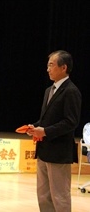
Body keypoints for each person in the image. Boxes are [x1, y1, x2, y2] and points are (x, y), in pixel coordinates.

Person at [27, 50, 82, 212]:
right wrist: (34, 127)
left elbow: (71, 122)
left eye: (51, 65)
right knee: (43, 195)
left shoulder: (71, 91)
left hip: (59, 153)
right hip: (44, 150)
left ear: (63, 67)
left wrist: (44, 132)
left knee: (60, 196)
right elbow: (46, 120)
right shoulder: (49, 90)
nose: (48, 69)